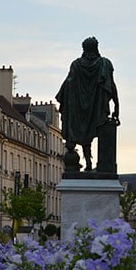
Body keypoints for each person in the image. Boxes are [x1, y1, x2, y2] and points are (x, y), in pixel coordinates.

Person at [55, 37, 119, 171]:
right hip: (97, 108)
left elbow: (68, 85)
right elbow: (111, 86)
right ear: (96, 48)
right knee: (97, 130)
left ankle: (87, 163)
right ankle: (93, 164)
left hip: (78, 109)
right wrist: (116, 107)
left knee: (82, 134)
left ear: (84, 49)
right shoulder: (104, 64)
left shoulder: (76, 65)